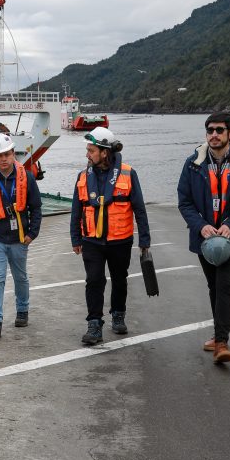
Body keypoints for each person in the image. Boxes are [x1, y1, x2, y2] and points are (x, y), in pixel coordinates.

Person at [177, 112, 230, 363]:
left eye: (219, 130)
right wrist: (200, 226)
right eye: (210, 130)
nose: (214, 134)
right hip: (205, 239)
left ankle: (222, 343)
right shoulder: (193, 164)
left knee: (226, 284)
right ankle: (218, 335)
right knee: (214, 286)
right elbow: (185, 201)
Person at [70, 127, 151, 345]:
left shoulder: (128, 173)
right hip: (91, 240)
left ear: (104, 152)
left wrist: (145, 240)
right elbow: (76, 209)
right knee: (94, 280)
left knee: (119, 280)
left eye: (91, 150)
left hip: (120, 240)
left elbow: (139, 208)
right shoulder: (82, 177)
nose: (87, 154)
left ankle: (118, 315)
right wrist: (75, 238)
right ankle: (94, 324)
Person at [0, 133, 42, 339]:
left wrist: (32, 234)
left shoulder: (27, 177)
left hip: (20, 238)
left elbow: (36, 208)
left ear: (13, 154)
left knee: (20, 277)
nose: (3, 159)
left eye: (7, 154)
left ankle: (22, 310)